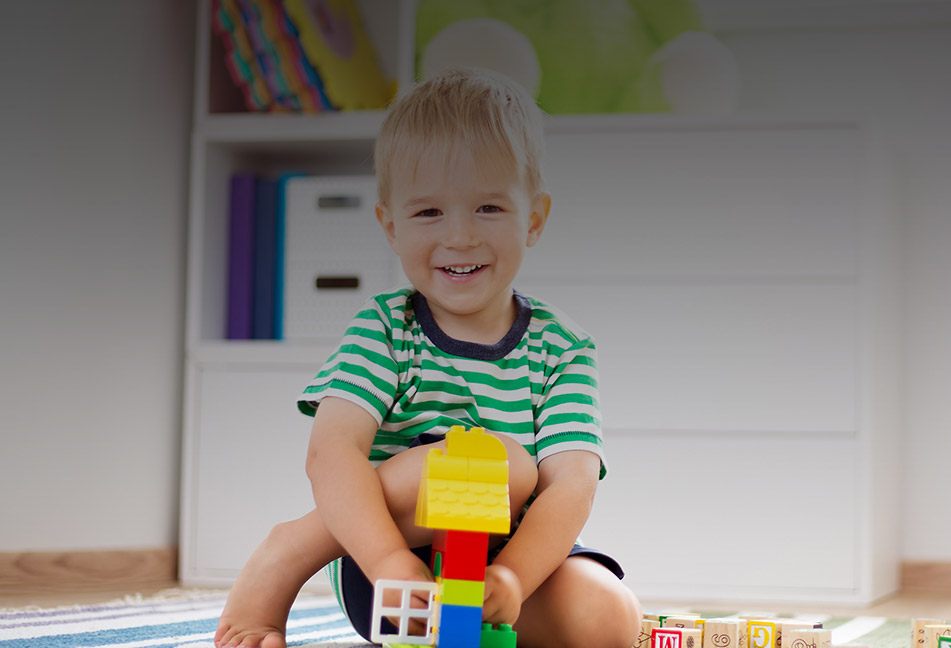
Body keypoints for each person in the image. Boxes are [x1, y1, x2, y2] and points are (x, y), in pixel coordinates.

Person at [214, 68, 641, 648]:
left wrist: (513, 575)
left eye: (488, 208)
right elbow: (332, 453)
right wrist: (388, 557)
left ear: (534, 219)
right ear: (390, 226)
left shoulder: (564, 347)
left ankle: (479, 623)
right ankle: (293, 548)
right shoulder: (388, 327)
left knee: (612, 617)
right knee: (503, 463)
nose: (459, 236)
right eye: (428, 213)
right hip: (386, 563)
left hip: (511, 562)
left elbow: (572, 485)